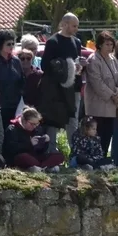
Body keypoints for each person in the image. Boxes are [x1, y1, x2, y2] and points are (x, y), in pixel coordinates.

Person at [39, 13, 84, 143]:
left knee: (73, 120)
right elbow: (45, 66)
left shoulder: (77, 42)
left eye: (77, 26)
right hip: (56, 89)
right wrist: (65, 67)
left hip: (73, 87)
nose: (76, 29)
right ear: (64, 24)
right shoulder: (53, 42)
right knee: (54, 119)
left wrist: (80, 65)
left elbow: (76, 63)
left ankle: (75, 153)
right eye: (74, 26)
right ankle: (52, 151)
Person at [84, 30, 118, 160]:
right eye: (107, 44)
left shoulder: (113, 59)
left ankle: (102, 158)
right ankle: (94, 159)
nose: (110, 47)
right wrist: (112, 95)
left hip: (112, 106)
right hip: (98, 105)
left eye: (111, 44)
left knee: (108, 134)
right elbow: (97, 83)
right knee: (97, 133)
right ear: (100, 45)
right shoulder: (93, 60)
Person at [4, 107, 65, 172]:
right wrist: (30, 143)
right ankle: (46, 167)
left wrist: (45, 142)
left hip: (36, 157)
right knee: (23, 157)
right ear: (24, 121)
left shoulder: (37, 129)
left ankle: (40, 168)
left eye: (37, 124)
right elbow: (12, 149)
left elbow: (41, 151)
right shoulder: (12, 129)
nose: (35, 126)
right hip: (21, 156)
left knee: (59, 156)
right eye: (32, 124)